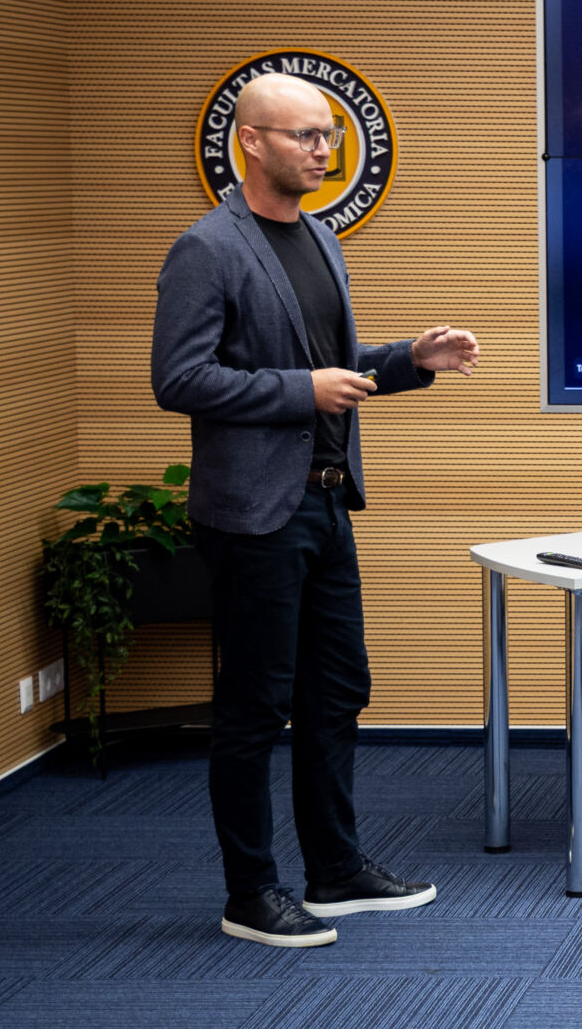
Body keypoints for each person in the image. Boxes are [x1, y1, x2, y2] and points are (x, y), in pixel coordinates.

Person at [151, 72, 481, 949]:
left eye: (329, 136)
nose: (324, 151)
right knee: (254, 705)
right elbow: (178, 379)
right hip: (255, 511)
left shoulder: (321, 238)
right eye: (305, 136)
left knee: (337, 690)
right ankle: (250, 892)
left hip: (328, 503)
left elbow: (334, 362)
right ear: (250, 141)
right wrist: (301, 389)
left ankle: (334, 871)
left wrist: (409, 360)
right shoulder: (207, 247)